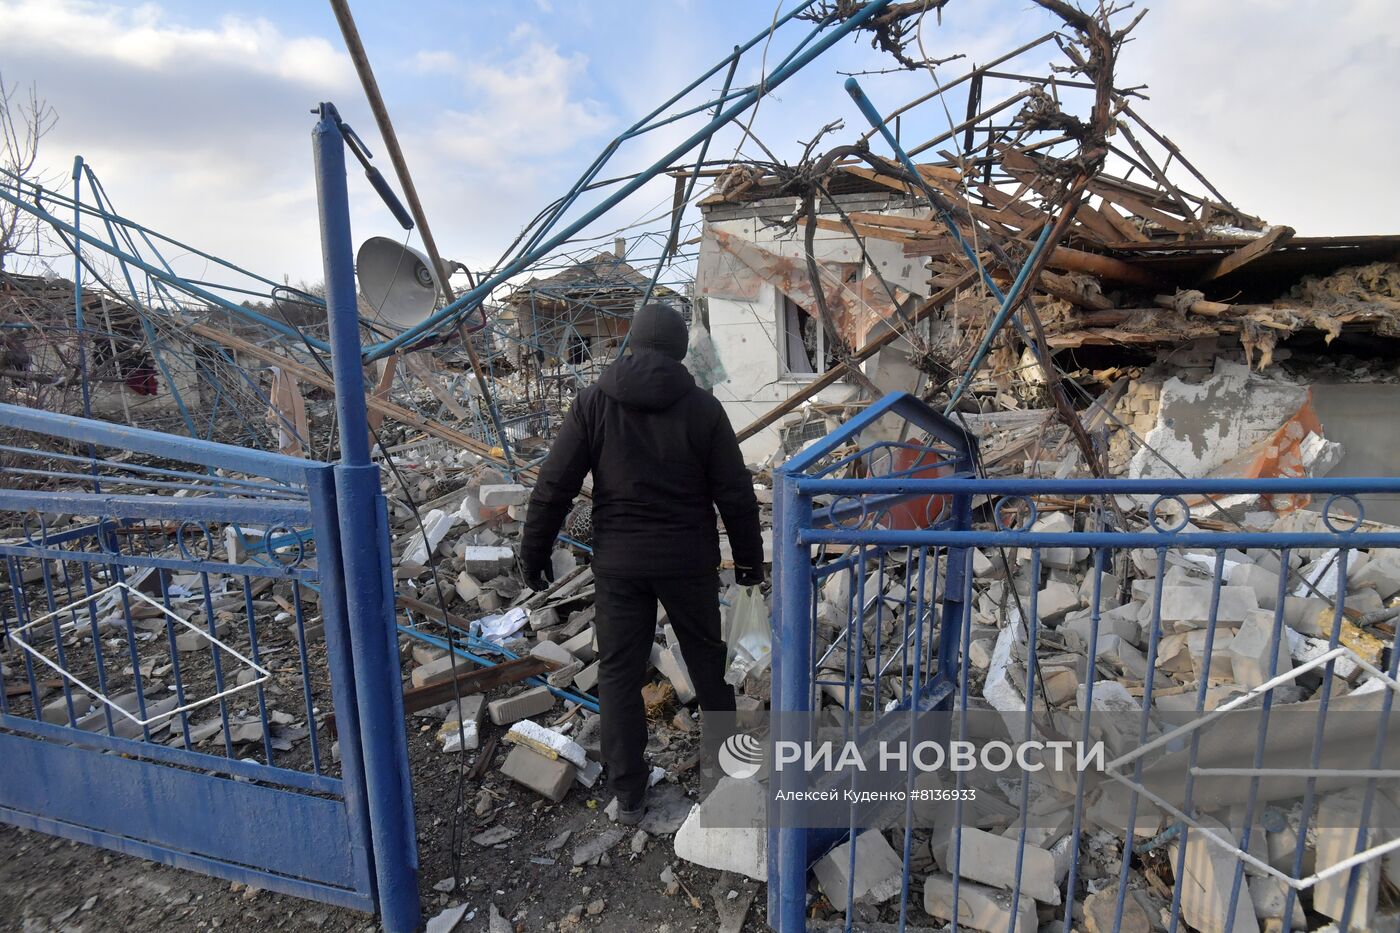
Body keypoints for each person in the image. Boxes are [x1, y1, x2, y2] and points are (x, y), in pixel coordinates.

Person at [520, 303, 763, 824]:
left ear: (630, 343)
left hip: (621, 564)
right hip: (687, 560)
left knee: (618, 673)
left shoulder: (593, 403)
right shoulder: (703, 409)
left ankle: (628, 795)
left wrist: (533, 553)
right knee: (707, 662)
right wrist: (748, 568)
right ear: (680, 351)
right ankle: (724, 781)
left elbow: (554, 485)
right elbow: (736, 496)